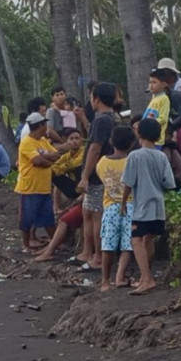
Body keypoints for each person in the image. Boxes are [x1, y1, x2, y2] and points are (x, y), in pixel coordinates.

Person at [120, 118, 176, 295]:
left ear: (139, 133)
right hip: (158, 206)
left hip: (142, 205)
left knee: (136, 240)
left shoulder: (135, 156)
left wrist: (123, 202)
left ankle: (147, 278)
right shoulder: (161, 156)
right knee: (148, 239)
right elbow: (169, 183)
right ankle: (146, 276)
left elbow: (128, 183)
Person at [16, 112, 78, 253]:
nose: (46, 127)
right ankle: (26, 244)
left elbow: (55, 155)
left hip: (43, 186)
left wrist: (46, 158)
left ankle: (56, 243)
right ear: (39, 125)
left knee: (48, 217)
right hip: (29, 187)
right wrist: (47, 159)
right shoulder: (26, 142)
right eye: (44, 124)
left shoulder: (43, 141)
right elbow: (38, 161)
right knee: (27, 218)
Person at [75, 82, 120, 272]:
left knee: (96, 215)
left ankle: (99, 257)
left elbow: (95, 149)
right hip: (102, 174)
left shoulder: (102, 121)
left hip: (98, 175)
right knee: (88, 212)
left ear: (97, 99)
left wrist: (85, 176)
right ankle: (87, 251)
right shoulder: (112, 118)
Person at [98, 125, 137, 292]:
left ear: (111, 141)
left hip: (111, 206)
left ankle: (105, 281)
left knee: (108, 244)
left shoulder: (102, 162)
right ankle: (120, 276)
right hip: (131, 205)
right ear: (132, 143)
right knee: (127, 244)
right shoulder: (132, 161)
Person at [142, 69, 172, 147]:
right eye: (150, 82)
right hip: (147, 137)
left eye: (154, 82)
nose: (151, 85)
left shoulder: (164, 98)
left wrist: (148, 124)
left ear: (163, 84)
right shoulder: (154, 98)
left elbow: (163, 118)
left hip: (156, 139)